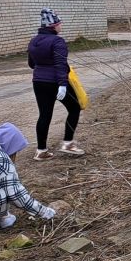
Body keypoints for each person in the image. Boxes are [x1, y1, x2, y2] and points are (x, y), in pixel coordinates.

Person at [0, 124, 57, 238]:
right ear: (11, 146)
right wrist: (44, 212)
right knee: (3, 187)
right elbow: (16, 195)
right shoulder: (1, 157)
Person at [28, 9, 85, 159]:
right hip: (55, 82)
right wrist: (62, 84)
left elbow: (31, 64)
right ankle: (68, 143)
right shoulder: (57, 41)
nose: (61, 26)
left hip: (38, 82)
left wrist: (43, 68)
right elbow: (60, 64)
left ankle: (41, 151)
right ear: (52, 26)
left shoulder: (33, 41)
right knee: (74, 108)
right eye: (59, 23)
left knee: (44, 115)